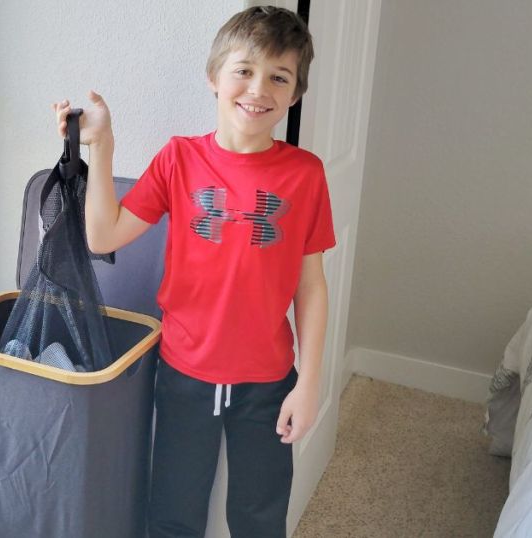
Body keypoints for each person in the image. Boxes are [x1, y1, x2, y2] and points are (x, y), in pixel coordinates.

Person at [52, 6, 333, 537]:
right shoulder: (179, 159)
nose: (259, 88)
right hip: (184, 371)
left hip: (269, 380)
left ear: (295, 94)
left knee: (260, 514)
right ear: (214, 77)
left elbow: (311, 286)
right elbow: (102, 236)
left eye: (279, 76)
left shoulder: (306, 175)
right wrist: (102, 145)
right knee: (174, 511)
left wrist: (311, 383)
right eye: (244, 70)